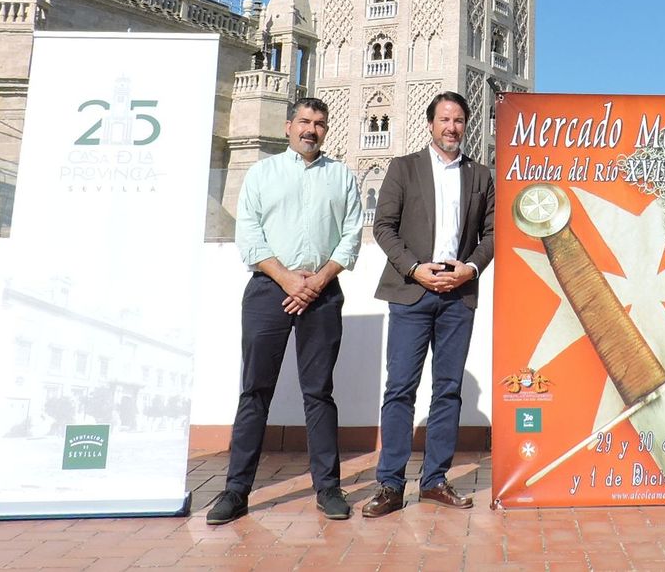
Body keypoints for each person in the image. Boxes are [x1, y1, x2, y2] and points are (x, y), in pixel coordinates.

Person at [205, 97, 363, 524]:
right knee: (255, 392)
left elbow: (351, 236)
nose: (312, 130)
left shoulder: (342, 177)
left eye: (320, 124)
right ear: (288, 126)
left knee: (319, 392)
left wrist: (316, 280)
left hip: (323, 292)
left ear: (326, 130)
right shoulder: (262, 174)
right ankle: (236, 491)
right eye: (305, 122)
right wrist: (288, 279)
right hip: (267, 291)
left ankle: (328, 488)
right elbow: (250, 236)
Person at [362, 91, 496, 518]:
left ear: (465, 125)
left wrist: (470, 269)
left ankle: (436, 481)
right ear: (431, 124)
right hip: (411, 293)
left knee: (448, 391)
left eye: (459, 120)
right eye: (444, 119)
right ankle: (390, 485)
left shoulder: (481, 176)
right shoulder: (404, 168)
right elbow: (383, 227)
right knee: (400, 389)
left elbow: (492, 234)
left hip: (457, 297)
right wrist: (415, 268)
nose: (452, 127)